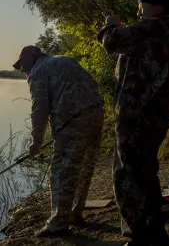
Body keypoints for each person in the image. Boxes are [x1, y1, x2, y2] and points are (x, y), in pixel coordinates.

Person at [97, 0, 169, 246]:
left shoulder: (150, 28)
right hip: (153, 116)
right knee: (145, 172)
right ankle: (153, 232)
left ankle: (141, 236)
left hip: (137, 117)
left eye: (141, 5)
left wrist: (109, 25)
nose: (138, 10)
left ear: (157, 9)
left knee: (127, 175)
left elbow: (111, 42)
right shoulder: (163, 33)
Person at [12, 45, 105, 237]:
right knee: (84, 167)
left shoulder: (38, 71)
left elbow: (40, 109)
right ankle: (74, 213)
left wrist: (36, 142)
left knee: (62, 170)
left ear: (31, 58)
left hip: (73, 119)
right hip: (96, 112)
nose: (23, 70)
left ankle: (58, 224)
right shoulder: (63, 60)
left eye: (22, 65)